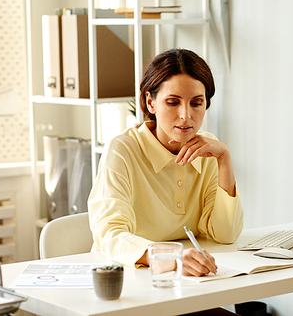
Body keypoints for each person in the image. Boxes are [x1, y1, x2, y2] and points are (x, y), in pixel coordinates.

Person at [88, 48, 244, 277]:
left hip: (189, 281)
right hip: (126, 279)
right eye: (173, 102)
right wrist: (172, 257)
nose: (185, 115)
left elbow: (226, 234)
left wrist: (224, 159)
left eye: (196, 103)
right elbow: (110, 233)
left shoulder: (209, 149)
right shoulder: (123, 149)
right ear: (150, 103)